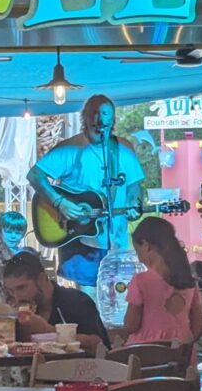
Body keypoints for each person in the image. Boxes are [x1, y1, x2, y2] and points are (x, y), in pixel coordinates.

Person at [27, 95, 144, 292]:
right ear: (85, 118)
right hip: (79, 239)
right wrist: (59, 202)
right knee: (89, 301)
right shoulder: (70, 149)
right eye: (94, 114)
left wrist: (135, 203)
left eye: (105, 114)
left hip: (117, 241)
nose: (99, 120)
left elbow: (134, 186)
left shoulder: (124, 149)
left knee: (118, 304)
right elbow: (35, 175)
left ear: (113, 118)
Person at [3, 251, 110, 353]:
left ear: (41, 279)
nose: (17, 297)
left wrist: (47, 330)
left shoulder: (76, 301)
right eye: (12, 291)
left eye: (22, 287)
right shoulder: (19, 312)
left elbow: (98, 345)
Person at [124, 217, 202, 347]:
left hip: (146, 355)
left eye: (137, 251)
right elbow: (199, 326)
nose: (139, 259)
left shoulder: (140, 281)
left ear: (145, 244)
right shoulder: (188, 281)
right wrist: (183, 345)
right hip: (183, 357)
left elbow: (131, 326)